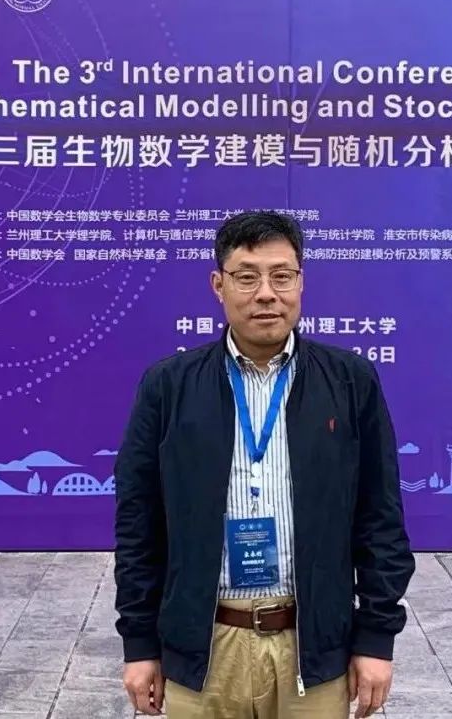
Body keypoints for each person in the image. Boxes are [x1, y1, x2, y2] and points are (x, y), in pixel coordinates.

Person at [114, 209, 415, 718]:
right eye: (247, 277)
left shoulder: (350, 382)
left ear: (301, 282)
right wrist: (140, 645)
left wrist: (375, 639)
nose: (266, 294)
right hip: (205, 647)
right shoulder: (169, 385)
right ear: (218, 284)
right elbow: (138, 525)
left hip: (312, 648)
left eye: (282, 276)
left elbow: (380, 519)